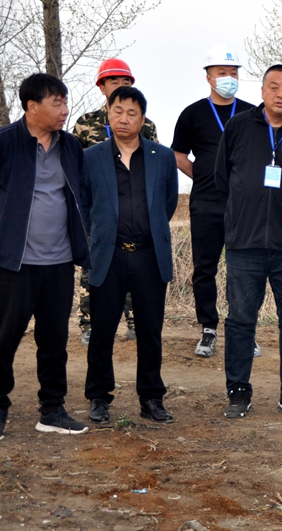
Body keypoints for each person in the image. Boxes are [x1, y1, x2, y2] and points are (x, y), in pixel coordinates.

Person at [215, 64, 282, 420]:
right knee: (240, 320)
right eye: (274, 86)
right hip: (244, 244)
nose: (281, 93)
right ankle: (238, 392)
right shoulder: (238, 127)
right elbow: (222, 178)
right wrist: (241, 217)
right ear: (262, 91)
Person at [0, 73, 91, 438]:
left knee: (54, 342)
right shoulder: (6, 143)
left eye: (65, 102)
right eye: (57, 103)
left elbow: (80, 195)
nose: (65, 110)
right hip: (14, 264)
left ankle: (52, 410)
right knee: (4, 339)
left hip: (59, 262)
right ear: (32, 106)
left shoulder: (70, 147)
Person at [82, 87, 178, 424]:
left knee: (150, 331)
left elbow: (168, 203)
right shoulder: (91, 157)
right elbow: (84, 204)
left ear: (142, 118)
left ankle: (151, 398)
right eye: (118, 111)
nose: (124, 118)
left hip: (149, 256)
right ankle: (98, 397)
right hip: (108, 255)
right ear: (108, 114)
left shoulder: (162, 157)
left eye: (132, 113)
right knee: (102, 331)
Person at [172, 44, 258, 359]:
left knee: (244, 269)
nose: (229, 78)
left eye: (233, 73)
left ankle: (244, 330)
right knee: (204, 269)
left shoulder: (252, 113)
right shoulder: (192, 113)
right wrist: (207, 176)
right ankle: (208, 328)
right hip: (206, 203)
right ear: (209, 77)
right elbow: (179, 155)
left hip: (244, 206)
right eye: (222, 72)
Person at [72, 58, 159, 347]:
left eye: (125, 82)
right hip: (99, 212)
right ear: (102, 87)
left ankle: (135, 322)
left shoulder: (146, 125)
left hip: (135, 212)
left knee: (136, 267)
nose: (120, 86)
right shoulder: (86, 124)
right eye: (113, 82)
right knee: (94, 269)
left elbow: (157, 172)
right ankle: (89, 323)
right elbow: (75, 169)